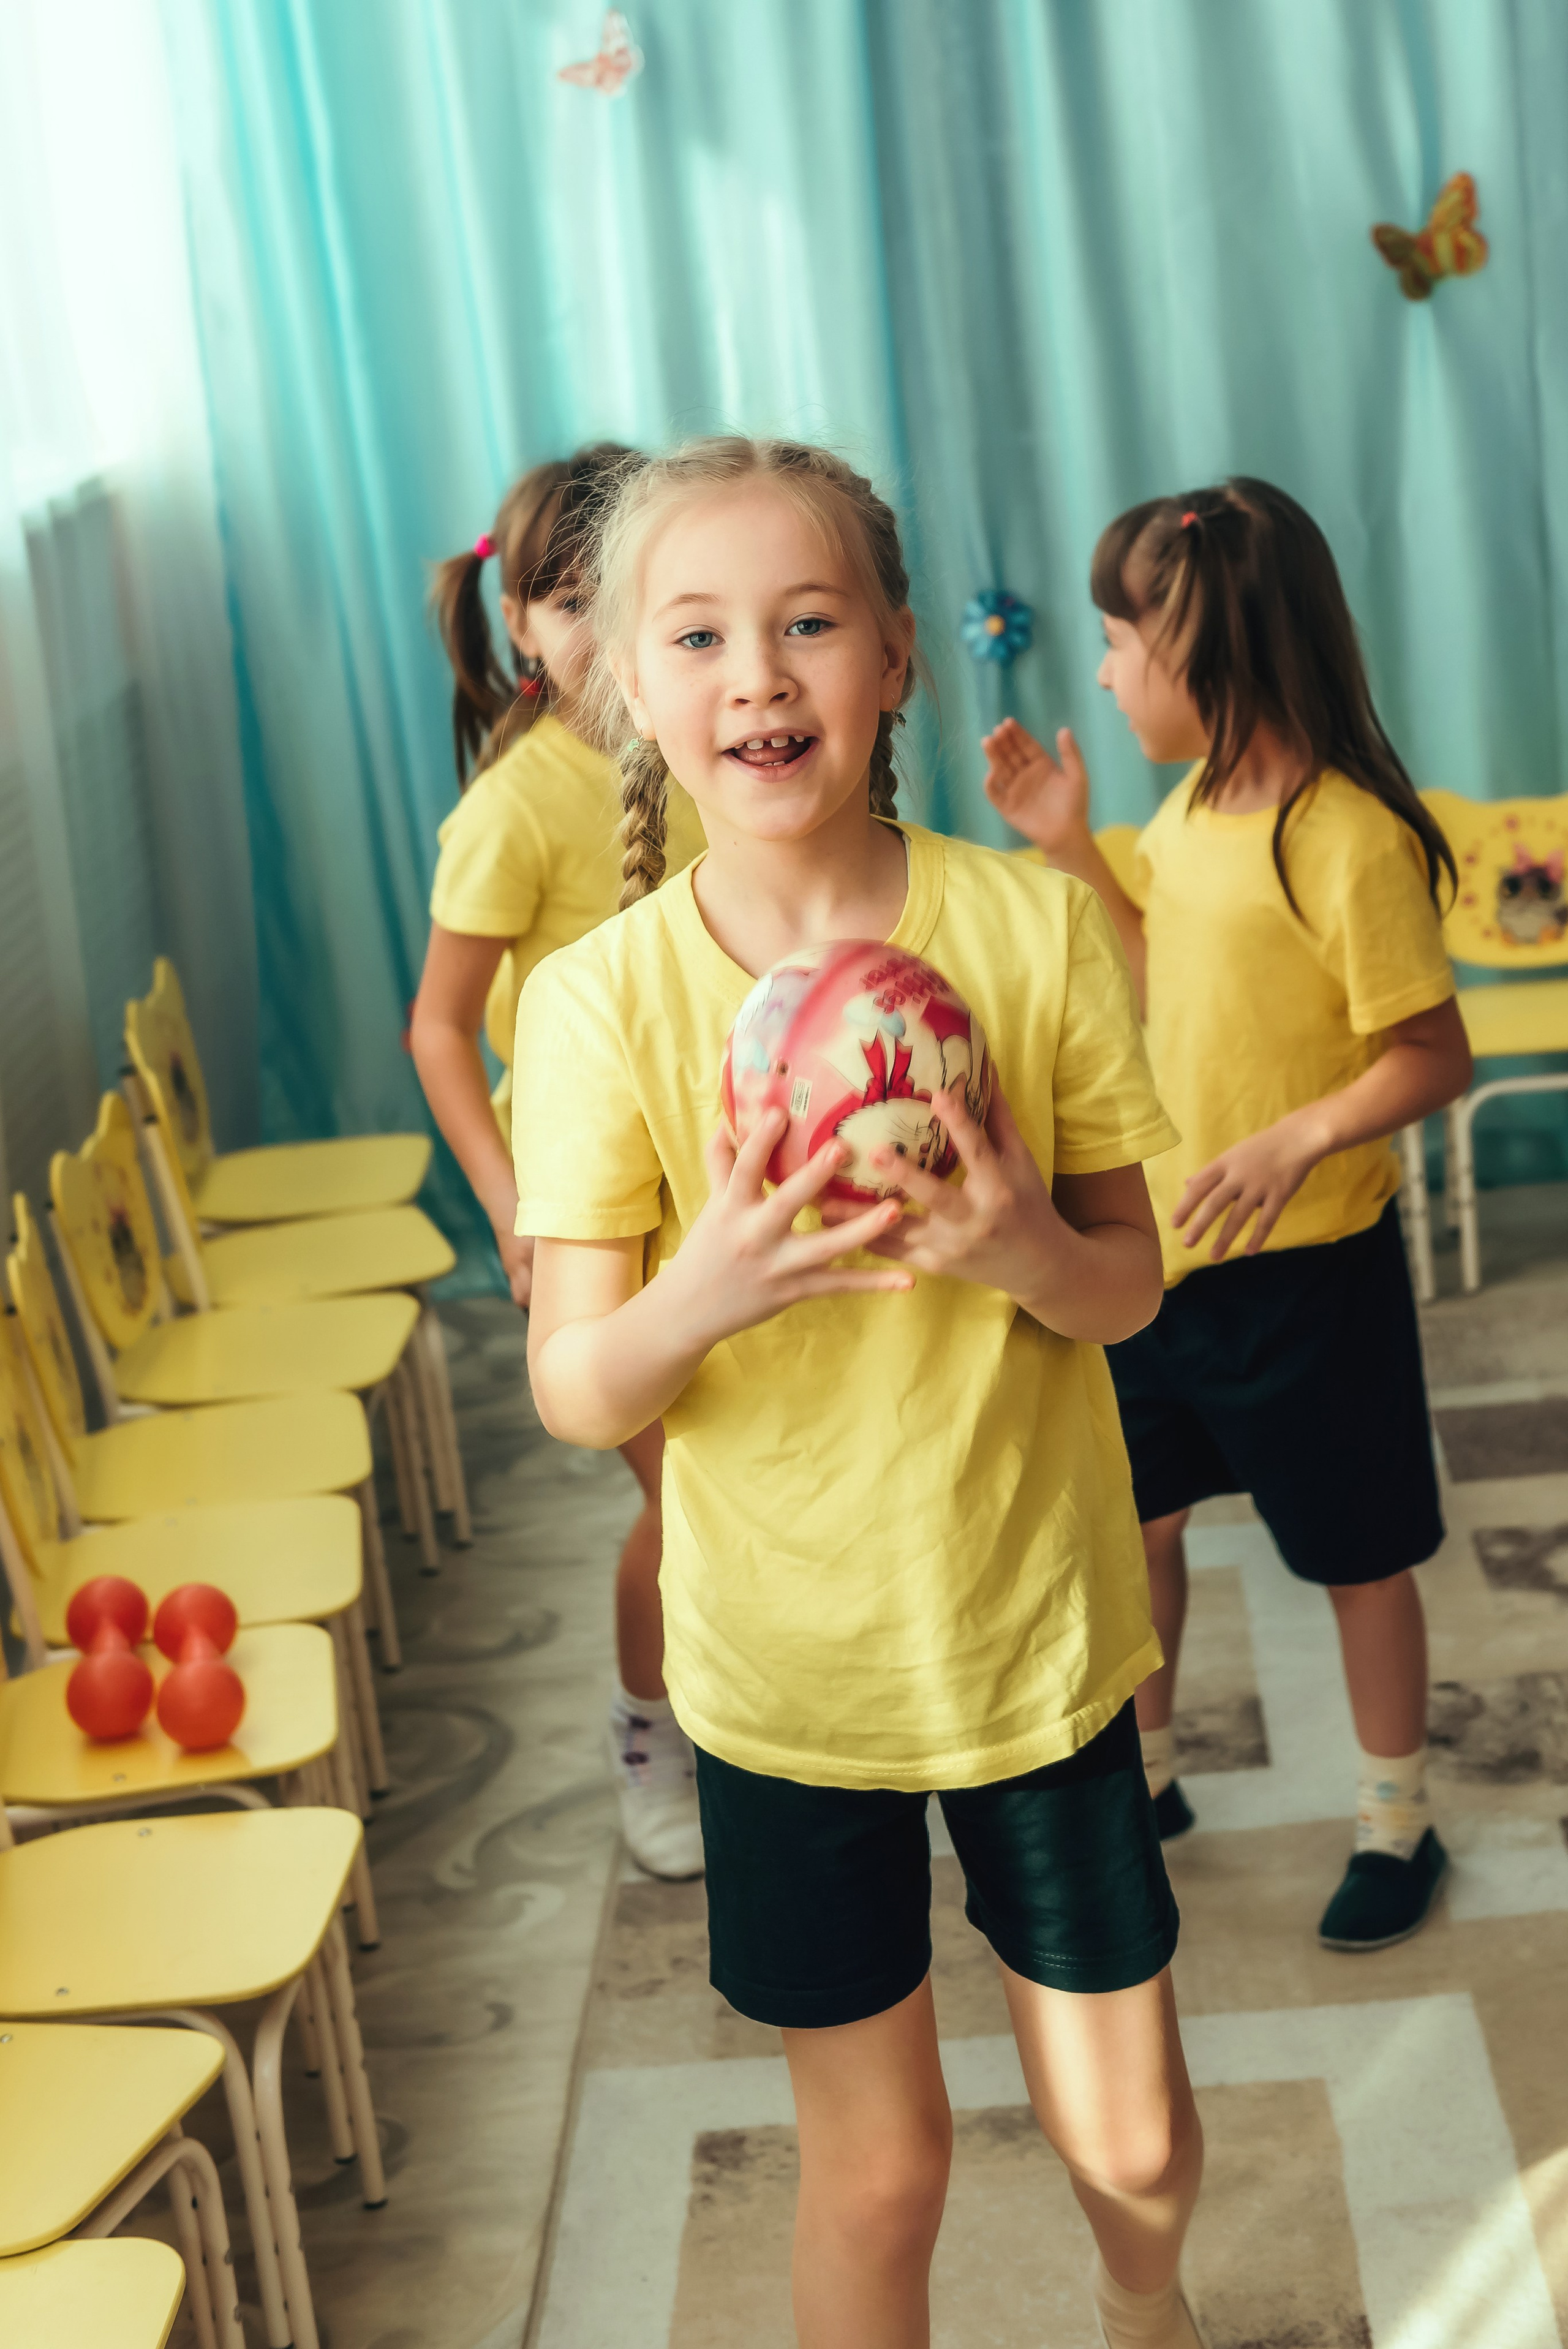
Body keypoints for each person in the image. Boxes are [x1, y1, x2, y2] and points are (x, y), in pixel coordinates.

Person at [515, 435, 1207, 2349]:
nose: (761, 672)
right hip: (783, 1675)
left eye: (810, 620)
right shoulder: (597, 1002)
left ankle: (1150, 2315)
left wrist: (1021, 1258)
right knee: (882, 2170)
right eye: (703, 634)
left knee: (1135, 2139)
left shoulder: (1032, 930)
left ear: (897, 655)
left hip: (1037, 1633)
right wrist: (707, 1286)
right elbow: (576, 1385)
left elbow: (1132, 1283)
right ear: (635, 695)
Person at [982, 478, 1471, 1955]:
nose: (1104, 673)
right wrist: (1074, 849)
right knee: (1141, 1524)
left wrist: (1301, 1134)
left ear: (1211, 650)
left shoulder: (1344, 837)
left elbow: (1433, 1053)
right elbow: (1158, 983)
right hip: (1170, 1264)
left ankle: (1396, 1814)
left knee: (1357, 1550)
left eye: (1122, 641)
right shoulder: (1185, 815)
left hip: (1307, 1273)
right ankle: (1148, 1780)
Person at [410, 447, 707, 1882]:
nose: (596, 624)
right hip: (596, 1205)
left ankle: (762, 1708)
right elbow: (440, 1029)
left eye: (624, 589)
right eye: (562, 600)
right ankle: (649, 1727)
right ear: (517, 625)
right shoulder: (516, 806)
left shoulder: (709, 743)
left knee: (747, 1478)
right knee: (680, 1498)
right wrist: (514, 1211)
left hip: (723, 1180)